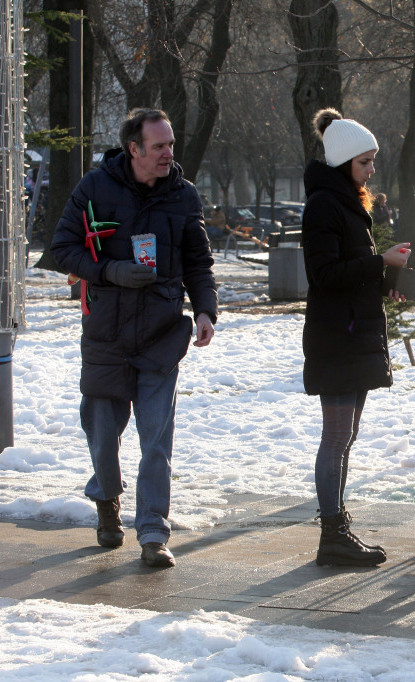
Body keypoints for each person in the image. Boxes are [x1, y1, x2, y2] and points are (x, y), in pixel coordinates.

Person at [51, 108, 217, 569]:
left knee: (156, 440)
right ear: (134, 149)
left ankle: (152, 532)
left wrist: (205, 310)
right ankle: (107, 501)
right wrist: (111, 272)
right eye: (159, 146)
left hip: (162, 336)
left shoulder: (182, 195)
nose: (168, 153)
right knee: (103, 436)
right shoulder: (94, 188)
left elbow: (198, 261)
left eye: (170, 145)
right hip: (106, 335)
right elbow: (61, 248)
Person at [301, 107, 411, 568]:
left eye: (372, 161)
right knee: (336, 437)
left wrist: (384, 281)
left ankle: (337, 528)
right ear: (344, 160)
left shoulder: (348, 202)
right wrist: (379, 263)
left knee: (344, 438)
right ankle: (332, 532)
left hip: (352, 336)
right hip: (337, 339)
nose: (371, 170)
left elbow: (348, 273)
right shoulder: (325, 205)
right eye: (364, 162)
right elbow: (324, 275)